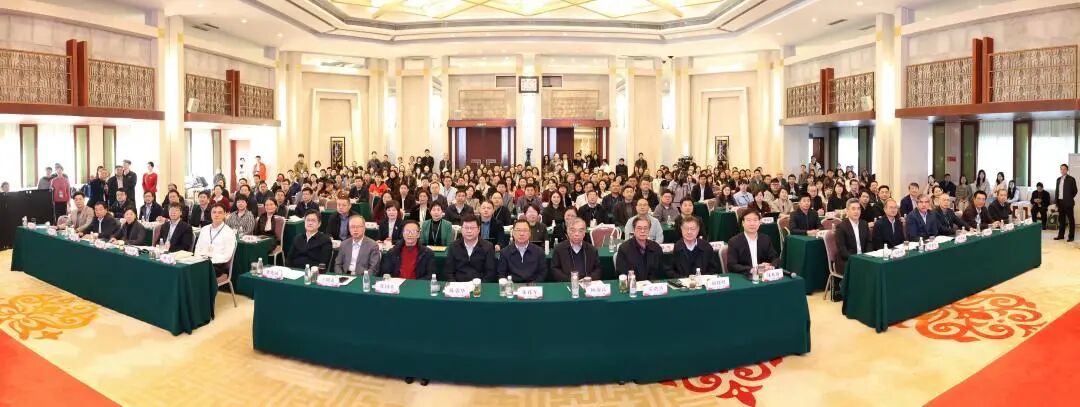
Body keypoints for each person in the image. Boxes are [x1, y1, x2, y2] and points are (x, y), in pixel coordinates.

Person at [725, 210, 778, 278]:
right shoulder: (734, 241)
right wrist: (753, 269)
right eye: (748, 220)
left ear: (759, 223)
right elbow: (732, 265)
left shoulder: (765, 239)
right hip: (745, 277)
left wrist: (771, 266)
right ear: (743, 223)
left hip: (764, 277)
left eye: (755, 220)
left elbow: (775, 258)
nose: (752, 224)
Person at [444, 214, 497, 282]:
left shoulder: (488, 247)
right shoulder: (453, 246)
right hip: (458, 285)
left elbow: (490, 273)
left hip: (479, 285)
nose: (469, 231)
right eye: (466, 228)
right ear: (461, 229)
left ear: (478, 229)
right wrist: (455, 285)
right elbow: (449, 272)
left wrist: (479, 285)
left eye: (472, 228)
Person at [550, 217, 602, 282]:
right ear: (568, 232)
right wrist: (569, 280)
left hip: (587, 284)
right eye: (573, 230)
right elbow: (555, 269)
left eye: (580, 231)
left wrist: (589, 279)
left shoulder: (592, 250)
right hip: (567, 283)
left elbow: (597, 269)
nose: (576, 234)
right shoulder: (559, 249)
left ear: (584, 233)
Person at [193, 204, 237, 278]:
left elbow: (227, 256)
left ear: (225, 214)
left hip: (218, 265)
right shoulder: (204, 229)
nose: (216, 215)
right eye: (214, 212)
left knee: (198, 273)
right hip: (201, 261)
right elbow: (198, 248)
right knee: (186, 269)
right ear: (211, 214)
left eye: (220, 212)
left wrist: (209, 261)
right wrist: (199, 259)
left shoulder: (229, 232)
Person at [614, 215, 664, 281]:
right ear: (634, 230)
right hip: (633, 284)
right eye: (639, 228)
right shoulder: (624, 249)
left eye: (645, 228)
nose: (642, 231)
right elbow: (622, 273)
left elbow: (661, 272)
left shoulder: (656, 247)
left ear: (649, 230)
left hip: (652, 285)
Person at [834, 199, 871, 277]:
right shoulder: (841, 227)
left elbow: (869, 242)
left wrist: (866, 256)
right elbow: (842, 250)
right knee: (862, 270)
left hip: (863, 258)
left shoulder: (864, 224)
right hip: (847, 260)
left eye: (858, 209)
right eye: (853, 209)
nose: (856, 211)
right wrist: (856, 259)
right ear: (847, 211)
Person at [1055, 164, 1077, 242]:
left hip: (1068, 202)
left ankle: (1071, 236)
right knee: (1061, 220)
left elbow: (1075, 191)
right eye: (1061, 169)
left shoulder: (1071, 179)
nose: (1062, 170)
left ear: (1067, 170)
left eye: (1064, 169)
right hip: (1060, 202)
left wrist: (1069, 198)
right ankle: (1061, 235)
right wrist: (1056, 202)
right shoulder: (1058, 179)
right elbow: (1057, 191)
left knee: (1071, 220)